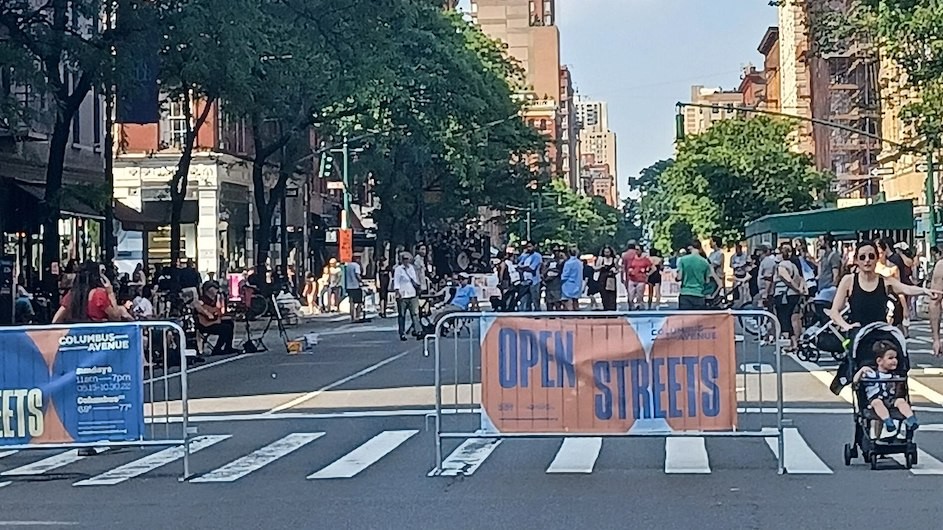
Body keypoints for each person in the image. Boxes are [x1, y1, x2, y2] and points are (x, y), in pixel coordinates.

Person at [829, 240, 938, 335]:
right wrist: (847, 326)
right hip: (858, 335)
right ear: (856, 260)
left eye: (871, 256)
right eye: (862, 257)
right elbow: (834, 311)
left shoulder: (885, 281)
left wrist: (924, 291)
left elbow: (906, 288)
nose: (867, 260)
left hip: (881, 333)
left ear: (877, 258)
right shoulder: (849, 281)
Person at [853, 339, 919, 440]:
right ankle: (888, 421)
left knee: (901, 401)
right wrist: (861, 370)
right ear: (879, 361)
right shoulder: (871, 374)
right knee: (877, 403)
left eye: (896, 358)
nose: (894, 361)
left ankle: (911, 419)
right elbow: (855, 381)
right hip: (876, 399)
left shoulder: (895, 376)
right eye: (890, 358)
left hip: (891, 399)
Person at [53, 261, 133, 323]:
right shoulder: (99, 294)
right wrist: (110, 293)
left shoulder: (72, 295)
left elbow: (56, 320)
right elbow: (115, 317)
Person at [771, 241, 806, 351]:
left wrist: (797, 288)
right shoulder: (794, 265)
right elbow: (800, 277)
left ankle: (794, 343)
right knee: (795, 317)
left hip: (785, 295)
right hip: (793, 295)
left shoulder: (782, 265)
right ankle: (796, 342)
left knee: (787, 319)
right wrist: (801, 289)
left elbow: (787, 279)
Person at [194, 281, 238, 356]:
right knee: (225, 328)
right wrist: (207, 313)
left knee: (229, 323)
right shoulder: (202, 300)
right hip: (205, 325)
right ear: (208, 290)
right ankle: (217, 349)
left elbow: (218, 313)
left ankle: (228, 347)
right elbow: (197, 306)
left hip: (214, 322)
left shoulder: (216, 300)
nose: (216, 290)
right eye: (214, 288)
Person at [393, 252, 422, 341]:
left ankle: (418, 331)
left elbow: (415, 279)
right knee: (402, 315)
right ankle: (402, 333)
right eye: (404, 259)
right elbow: (396, 281)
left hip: (412, 293)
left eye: (408, 259)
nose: (406, 261)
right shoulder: (399, 269)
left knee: (415, 314)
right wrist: (397, 292)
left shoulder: (412, 268)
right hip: (403, 294)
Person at [676, 240, 711, 310]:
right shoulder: (705, 262)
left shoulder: (683, 260)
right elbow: (707, 281)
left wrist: (676, 278)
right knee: (698, 320)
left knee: (685, 319)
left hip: (685, 293)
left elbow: (679, 277)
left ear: (690, 248)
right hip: (699, 294)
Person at [516, 241, 543, 311]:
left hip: (534, 281)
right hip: (525, 281)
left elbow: (531, 268)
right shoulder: (525, 256)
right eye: (527, 247)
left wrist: (522, 268)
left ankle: (538, 313)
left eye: (530, 247)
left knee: (535, 299)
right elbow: (518, 264)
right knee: (526, 300)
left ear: (534, 246)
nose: (528, 248)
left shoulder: (537, 256)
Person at [626, 244, 652, 310]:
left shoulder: (645, 259)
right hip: (632, 279)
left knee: (639, 296)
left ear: (641, 250)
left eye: (638, 250)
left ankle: (638, 308)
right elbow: (628, 267)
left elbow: (653, 268)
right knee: (630, 296)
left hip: (641, 280)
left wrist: (647, 274)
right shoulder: (632, 259)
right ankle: (630, 307)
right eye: (635, 250)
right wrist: (630, 271)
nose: (636, 251)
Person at [595, 246, 620, 311]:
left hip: (611, 278)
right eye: (605, 252)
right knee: (604, 295)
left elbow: (618, 269)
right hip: (602, 279)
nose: (607, 254)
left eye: (608, 252)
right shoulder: (601, 259)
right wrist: (602, 266)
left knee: (612, 296)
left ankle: (612, 310)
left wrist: (614, 270)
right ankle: (605, 309)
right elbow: (596, 269)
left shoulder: (614, 259)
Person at [561, 246, 584, 311]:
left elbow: (565, 274)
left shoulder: (568, 263)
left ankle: (571, 317)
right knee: (575, 302)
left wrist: (561, 280)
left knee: (568, 303)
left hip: (568, 285)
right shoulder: (580, 263)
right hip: (577, 284)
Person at [345, 255, 365, 322]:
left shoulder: (348, 266)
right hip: (356, 286)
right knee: (359, 302)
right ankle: (357, 316)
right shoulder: (356, 266)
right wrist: (361, 281)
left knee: (351, 303)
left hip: (349, 286)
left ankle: (352, 317)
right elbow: (357, 275)